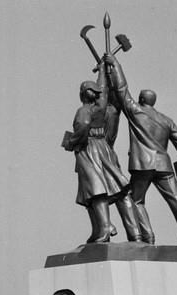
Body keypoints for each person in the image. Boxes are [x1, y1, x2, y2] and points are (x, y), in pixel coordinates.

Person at [104, 54, 177, 247]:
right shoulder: (166, 120)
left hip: (144, 165)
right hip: (164, 164)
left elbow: (122, 90)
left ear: (141, 100)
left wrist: (115, 64)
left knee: (135, 199)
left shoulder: (137, 111)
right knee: (176, 198)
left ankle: (148, 238)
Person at [62, 60, 141, 243]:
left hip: (89, 149)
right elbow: (104, 91)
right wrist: (103, 71)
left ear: (82, 95)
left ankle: (104, 229)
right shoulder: (101, 107)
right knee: (119, 190)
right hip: (104, 148)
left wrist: (72, 142)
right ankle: (133, 233)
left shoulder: (83, 110)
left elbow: (83, 126)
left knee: (95, 191)